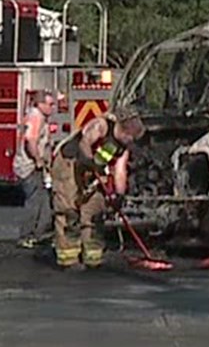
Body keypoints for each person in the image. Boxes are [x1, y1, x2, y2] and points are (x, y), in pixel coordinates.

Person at [49, 105, 143, 270]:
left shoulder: (123, 147)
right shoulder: (102, 126)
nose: (131, 142)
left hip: (94, 170)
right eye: (131, 138)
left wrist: (118, 196)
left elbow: (120, 171)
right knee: (69, 209)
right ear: (124, 131)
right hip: (70, 164)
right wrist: (88, 160)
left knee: (94, 210)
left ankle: (92, 257)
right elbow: (85, 143)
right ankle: (68, 258)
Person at [14, 90, 59, 248]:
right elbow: (30, 142)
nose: (53, 107)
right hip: (29, 167)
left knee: (44, 202)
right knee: (34, 202)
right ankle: (26, 236)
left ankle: (40, 234)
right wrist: (38, 160)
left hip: (35, 167)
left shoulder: (41, 118)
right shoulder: (35, 117)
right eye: (50, 104)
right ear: (40, 104)